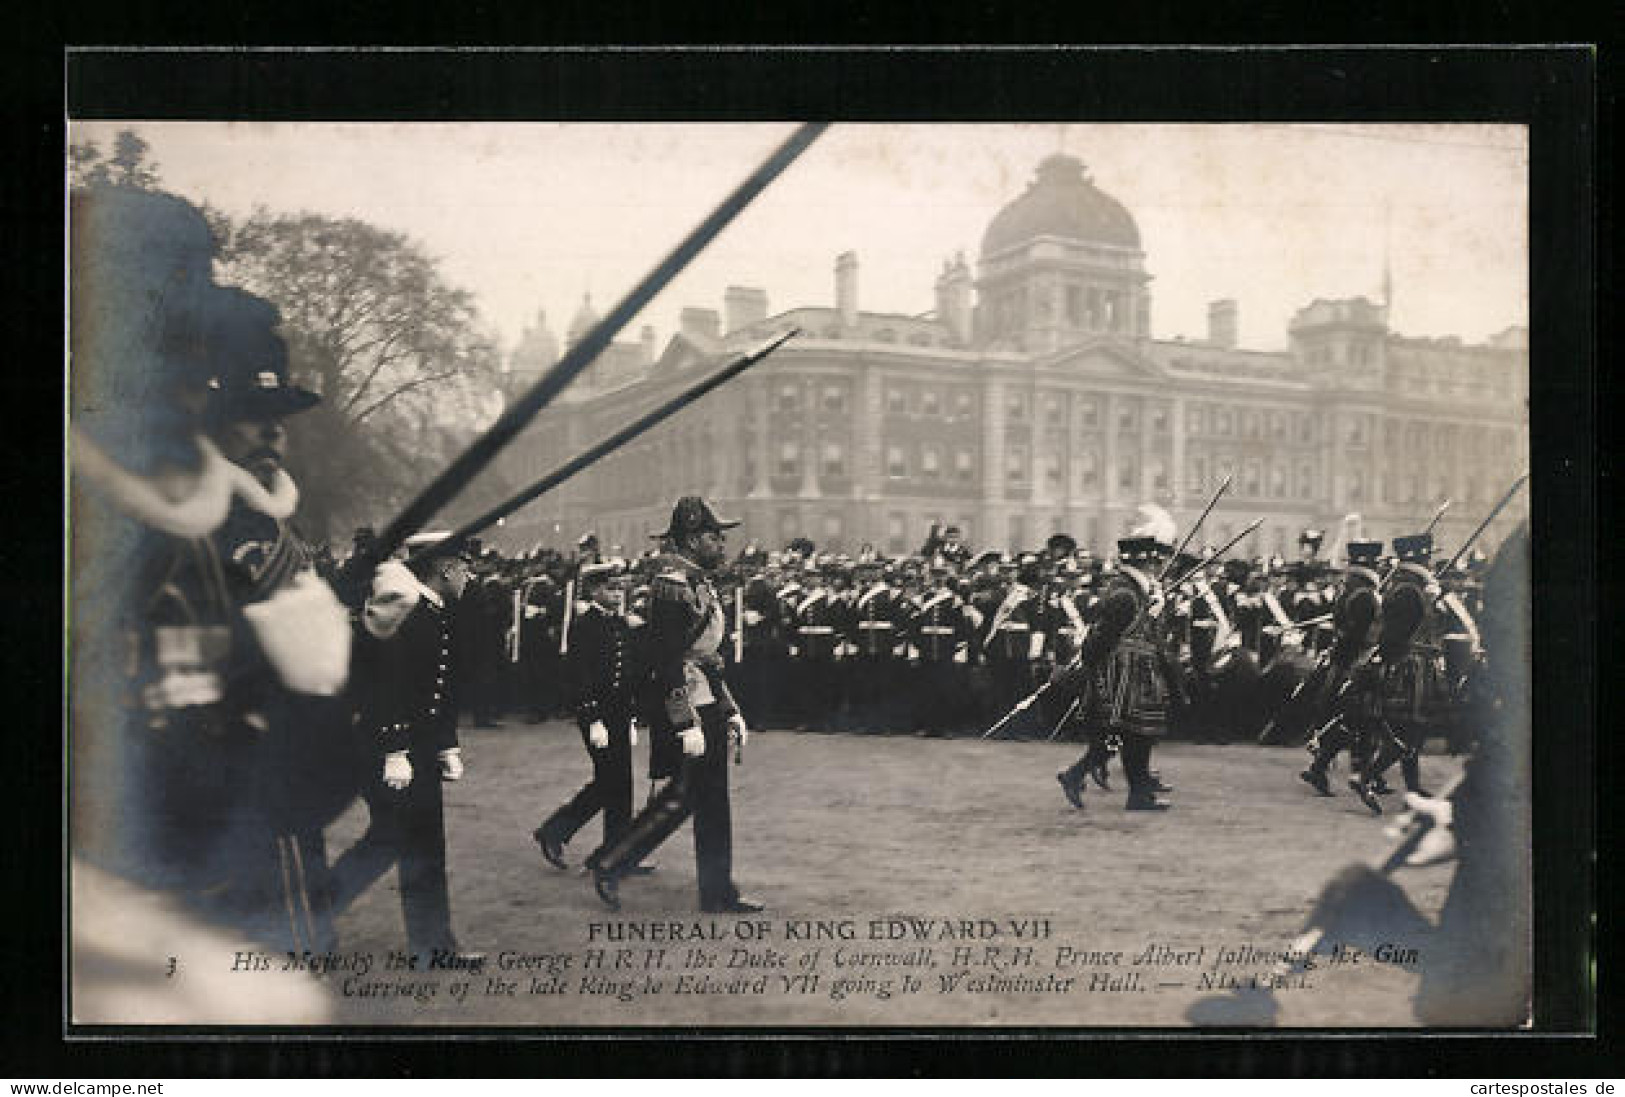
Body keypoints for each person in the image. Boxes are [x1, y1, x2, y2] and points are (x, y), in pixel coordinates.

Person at [585, 496, 761, 914]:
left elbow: (706, 656)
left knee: (708, 798)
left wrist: (729, 707)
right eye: (715, 538)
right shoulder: (672, 588)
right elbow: (665, 660)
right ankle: (611, 863)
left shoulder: (699, 582)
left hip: (705, 698)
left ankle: (717, 891)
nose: (722, 545)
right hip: (684, 704)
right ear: (694, 539)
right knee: (685, 796)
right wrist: (685, 722)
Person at [331, 534, 480, 965]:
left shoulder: (432, 612)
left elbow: (437, 690)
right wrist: (396, 747)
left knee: (421, 845)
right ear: (446, 568)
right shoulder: (411, 613)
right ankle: (310, 912)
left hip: (418, 748)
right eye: (465, 566)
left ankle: (433, 947)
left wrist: (445, 745)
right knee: (390, 841)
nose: (469, 575)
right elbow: (387, 683)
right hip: (391, 747)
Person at [1052, 509, 1181, 811]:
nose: (1159, 565)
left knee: (1132, 736)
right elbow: (1104, 636)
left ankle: (1125, 789)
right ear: (1145, 562)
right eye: (1155, 561)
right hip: (1123, 673)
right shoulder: (1125, 593)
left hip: (1138, 671)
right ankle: (1084, 776)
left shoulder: (1137, 590)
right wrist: (1090, 666)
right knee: (1129, 734)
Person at [533, 561, 646, 869]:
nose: (617, 592)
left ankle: (616, 851)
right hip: (597, 714)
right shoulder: (584, 626)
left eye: (619, 587)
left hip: (620, 713)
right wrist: (593, 718)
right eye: (610, 587)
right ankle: (557, 832)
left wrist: (633, 715)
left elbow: (629, 673)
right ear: (595, 591)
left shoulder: (621, 623)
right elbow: (578, 676)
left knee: (620, 783)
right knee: (611, 780)